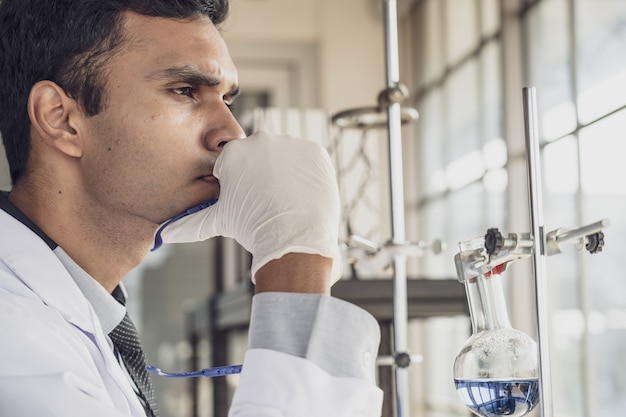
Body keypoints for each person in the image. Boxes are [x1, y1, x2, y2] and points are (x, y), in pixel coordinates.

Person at [0, 0, 383, 416]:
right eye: (185, 91)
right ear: (61, 118)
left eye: (227, 100)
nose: (232, 133)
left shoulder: (78, 307)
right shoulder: (12, 331)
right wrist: (296, 261)